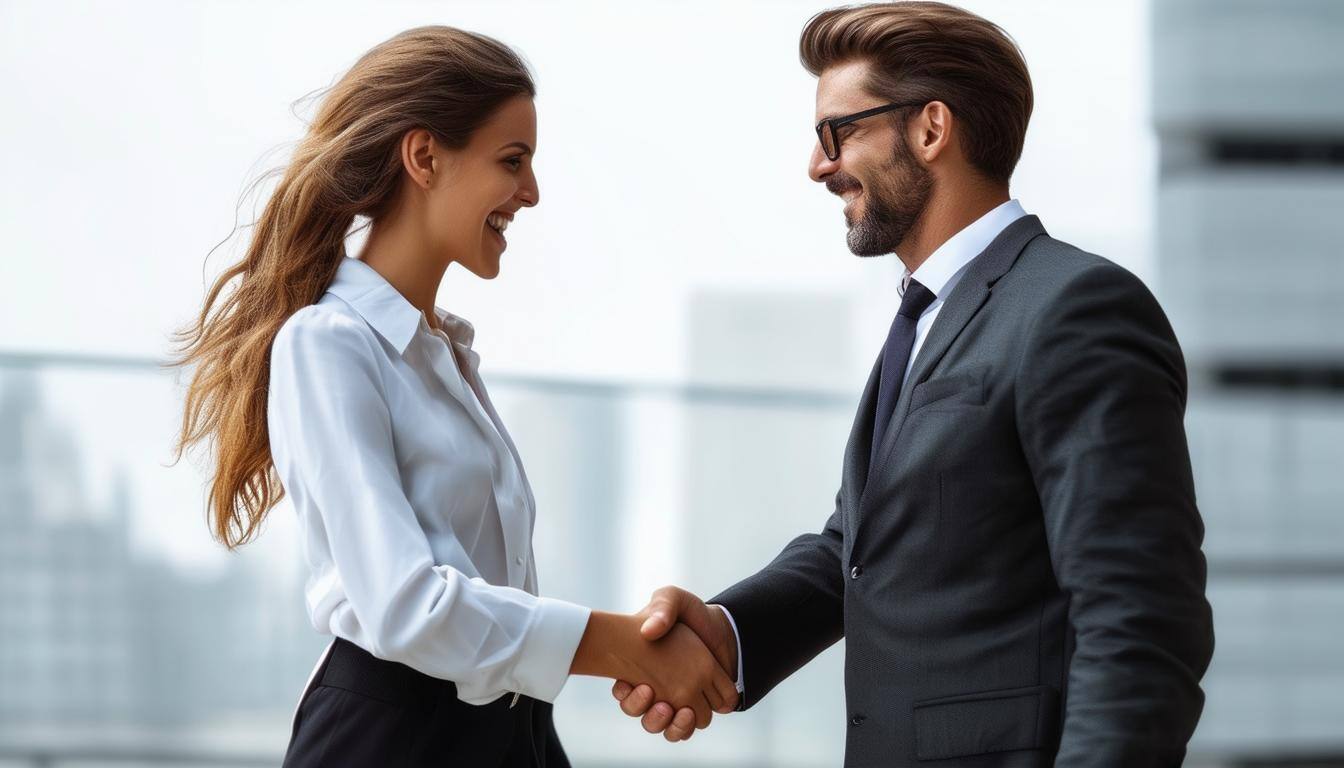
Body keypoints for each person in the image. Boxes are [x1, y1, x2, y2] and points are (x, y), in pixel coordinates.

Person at [612, 2, 1216, 764]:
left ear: (931, 129)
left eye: (839, 133)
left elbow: (1142, 618)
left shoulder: (1074, 309)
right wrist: (727, 633)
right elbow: (859, 550)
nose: (818, 166)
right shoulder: (926, 318)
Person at [168, 26, 736, 767]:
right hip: (393, 738)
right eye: (512, 161)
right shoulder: (328, 343)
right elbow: (406, 606)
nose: (530, 193)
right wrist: (626, 645)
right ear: (425, 157)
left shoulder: (446, 355)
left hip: (506, 731)